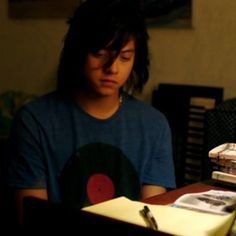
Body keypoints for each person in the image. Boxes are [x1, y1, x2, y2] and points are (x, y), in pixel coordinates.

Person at [6, 0, 176, 227]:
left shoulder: (154, 125)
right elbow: (33, 219)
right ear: (78, 51)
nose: (112, 68)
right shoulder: (34, 122)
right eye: (99, 53)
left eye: (125, 57)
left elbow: (152, 220)